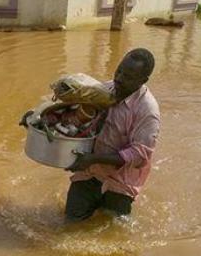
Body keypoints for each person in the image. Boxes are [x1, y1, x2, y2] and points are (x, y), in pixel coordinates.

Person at [65, 48, 160, 221]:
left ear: (143, 81)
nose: (119, 79)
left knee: (113, 235)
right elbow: (75, 116)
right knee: (70, 223)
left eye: (128, 77)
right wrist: (38, 119)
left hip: (120, 183)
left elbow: (139, 155)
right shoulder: (104, 89)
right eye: (119, 71)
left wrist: (93, 158)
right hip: (90, 173)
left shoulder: (147, 111)